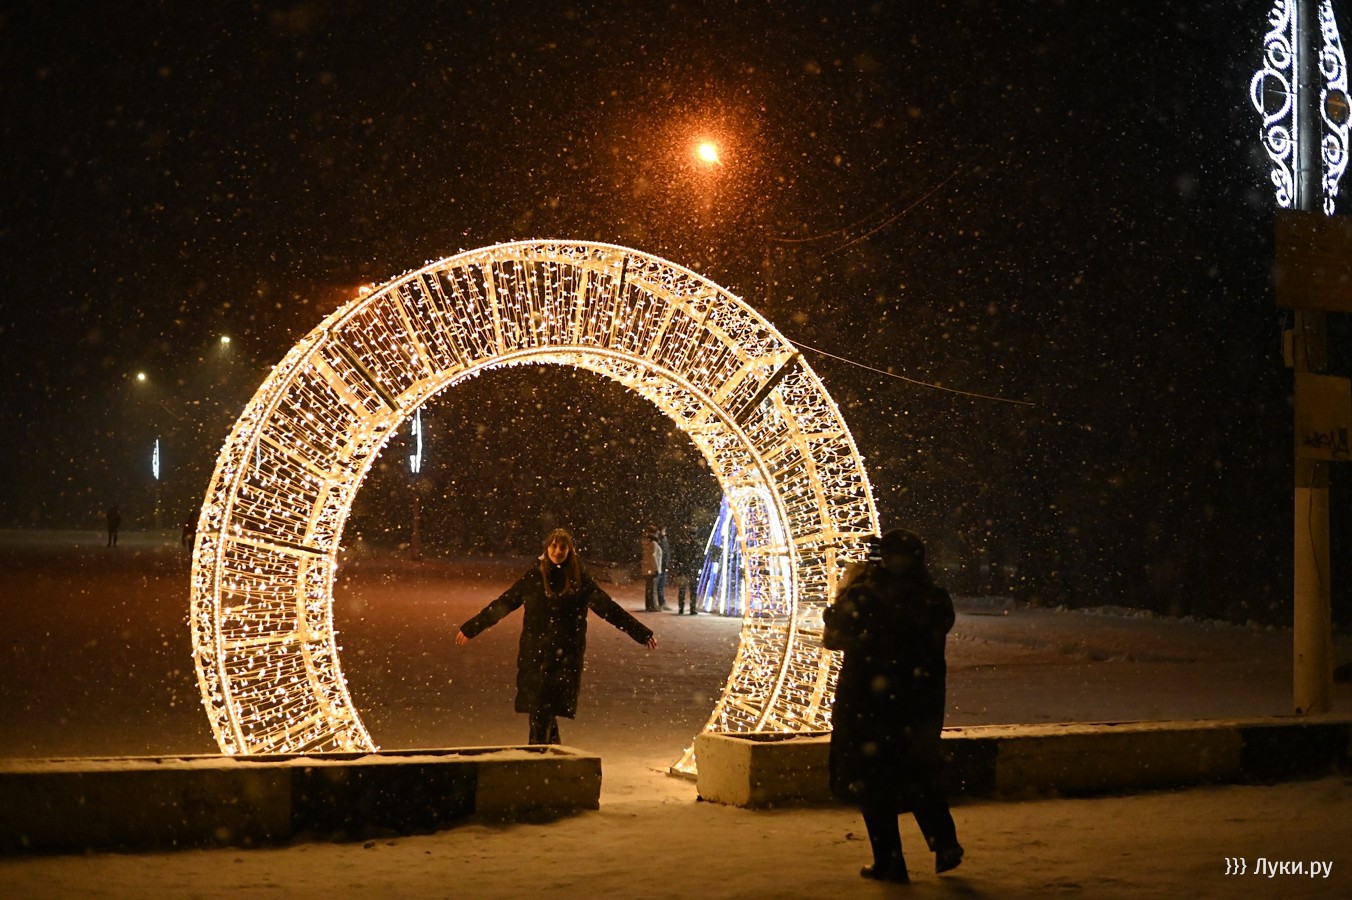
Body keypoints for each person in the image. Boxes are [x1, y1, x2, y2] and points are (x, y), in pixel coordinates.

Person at [822, 528, 963, 884]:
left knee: (874, 782)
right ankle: (943, 841)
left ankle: (889, 860)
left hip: (869, 704)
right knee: (917, 773)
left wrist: (846, 594)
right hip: (919, 702)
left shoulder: (865, 595)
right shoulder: (934, 597)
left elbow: (833, 638)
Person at [455, 528, 658, 745]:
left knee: (543, 713)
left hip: (564, 659)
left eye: (563, 547)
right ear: (546, 549)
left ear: (570, 550)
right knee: (542, 712)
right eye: (553, 546)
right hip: (535, 657)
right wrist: (472, 628)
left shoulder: (579, 582)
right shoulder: (533, 578)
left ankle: (540, 757)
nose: (558, 551)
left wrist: (640, 633)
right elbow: (503, 604)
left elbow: (609, 609)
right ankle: (547, 757)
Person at [641, 525, 663, 612]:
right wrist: (656, 568)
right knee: (652, 588)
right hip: (652, 569)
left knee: (649, 588)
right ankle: (652, 606)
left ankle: (649, 605)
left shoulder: (648, 543)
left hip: (647, 569)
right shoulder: (653, 544)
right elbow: (653, 557)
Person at [655, 525, 671, 611]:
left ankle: (662, 602)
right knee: (659, 585)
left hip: (663, 566)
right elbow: (663, 554)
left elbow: (666, 553)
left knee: (661, 585)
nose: (665, 532)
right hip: (660, 566)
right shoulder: (659, 540)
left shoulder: (663, 540)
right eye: (664, 531)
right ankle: (660, 603)